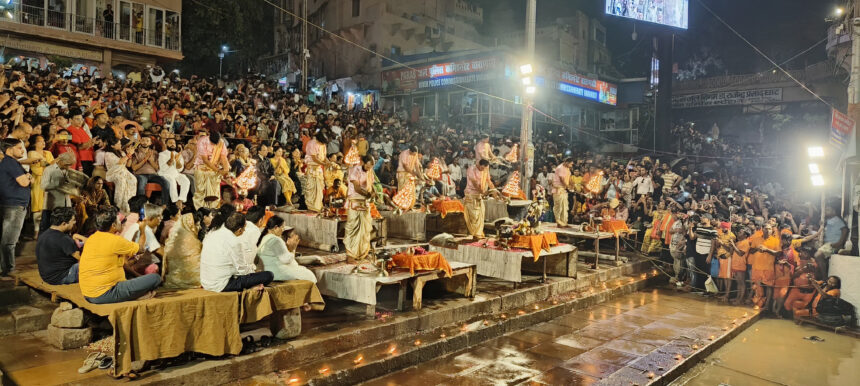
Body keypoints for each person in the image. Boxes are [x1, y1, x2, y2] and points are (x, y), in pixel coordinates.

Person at [79, 208, 160, 304]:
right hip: (105, 294)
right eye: (119, 221)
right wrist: (142, 230)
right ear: (113, 225)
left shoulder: (93, 237)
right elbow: (141, 249)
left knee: (132, 278)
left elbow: (124, 263)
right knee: (155, 278)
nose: (121, 223)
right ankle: (135, 296)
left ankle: (133, 294)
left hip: (88, 293)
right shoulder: (115, 241)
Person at [200, 212, 274, 292]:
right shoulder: (234, 242)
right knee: (268, 275)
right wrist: (253, 271)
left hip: (206, 282)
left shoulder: (212, 233)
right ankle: (250, 287)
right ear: (239, 230)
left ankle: (251, 285)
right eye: (244, 229)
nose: (244, 231)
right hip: (221, 285)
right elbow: (242, 271)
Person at [0, 139, 32, 276]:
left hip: (11, 204)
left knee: (7, 239)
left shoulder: (9, 162)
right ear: (9, 149)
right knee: (9, 241)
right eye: (19, 148)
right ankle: (8, 269)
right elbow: (24, 182)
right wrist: (28, 177)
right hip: (14, 205)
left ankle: (6, 268)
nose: (23, 150)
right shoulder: (11, 162)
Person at [258, 217, 317, 282]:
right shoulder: (276, 240)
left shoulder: (265, 237)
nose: (283, 230)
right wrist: (293, 248)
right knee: (308, 274)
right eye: (282, 227)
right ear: (275, 227)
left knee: (303, 269)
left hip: (268, 270)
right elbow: (286, 260)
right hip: (276, 272)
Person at [36, 208, 80, 285]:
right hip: (62, 277)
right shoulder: (63, 239)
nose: (75, 222)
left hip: (47, 277)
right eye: (73, 220)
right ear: (64, 224)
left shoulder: (43, 235)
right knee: (95, 264)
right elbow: (82, 259)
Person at [345, 156, 376, 263]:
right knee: (353, 228)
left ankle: (363, 253)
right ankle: (350, 255)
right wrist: (368, 194)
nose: (369, 167)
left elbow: (371, 185)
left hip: (365, 202)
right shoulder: (355, 170)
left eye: (371, 165)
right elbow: (357, 188)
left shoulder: (370, 172)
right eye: (368, 164)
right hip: (355, 199)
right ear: (363, 162)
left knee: (365, 229)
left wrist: (373, 192)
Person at [162, 213, 203, 289]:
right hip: (193, 280)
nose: (199, 227)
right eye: (197, 225)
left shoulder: (171, 239)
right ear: (190, 224)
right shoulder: (193, 241)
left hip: (172, 280)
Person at [39, 151, 76, 233]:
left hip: (66, 204)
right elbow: (43, 186)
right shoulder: (49, 170)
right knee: (47, 229)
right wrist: (57, 184)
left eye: (70, 165)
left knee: (65, 229)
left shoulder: (69, 171)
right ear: (61, 161)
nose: (68, 167)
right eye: (67, 164)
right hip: (52, 206)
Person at [193, 131, 230, 209]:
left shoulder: (221, 142)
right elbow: (205, 160)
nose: (215, 145)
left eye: (216, 143)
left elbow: (223, 157)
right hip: (201, 168)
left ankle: (214, 209)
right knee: (201, 191)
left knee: (215, 192)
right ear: (209, 138)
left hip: (214, 169)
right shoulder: (202, 141)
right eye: (213, 143)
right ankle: (200, 209)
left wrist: (226, 170)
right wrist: (219, 171)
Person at [463, 159, 498, 239]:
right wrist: (483, 192)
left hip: (479, 195)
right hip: (471, 195)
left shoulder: (485, 170)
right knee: (474, 216)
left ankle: (478, 234)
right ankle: (475, 234)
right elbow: (475, 183)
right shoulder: (471, 169)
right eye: (482, 168)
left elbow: (489, 181)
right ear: (479, 165)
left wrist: (495, 191)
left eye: (485, 168)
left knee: (481, 214)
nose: (483, 170)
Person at [812, 203, 848, 279]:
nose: (825, 211)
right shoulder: (829, 220)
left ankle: (824, 278)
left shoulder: (837, 219)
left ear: (834, 211)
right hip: (828, 244)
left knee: (818, 255)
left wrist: (839, 243)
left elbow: (844, 230)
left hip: (833, 244)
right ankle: (822, 277)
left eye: (828, 210)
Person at [131, 136, 170, 204]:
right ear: (140, 141)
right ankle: (141, 206)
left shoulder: (154, 153)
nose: (145, 142)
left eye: (147, 141)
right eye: (143, 140)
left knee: (166, 182)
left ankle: (165, 205)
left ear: (150, 143)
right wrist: (144, 160)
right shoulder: (135, 152)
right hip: (140, 174)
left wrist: (151, 161)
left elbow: (157, 168)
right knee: (142, 183)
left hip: (153, 174)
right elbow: (134, 168)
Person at [28, 135, 55, 234]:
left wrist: (47, 166)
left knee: (48, 206)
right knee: (38, 206)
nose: (43, 142)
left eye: (44, 140)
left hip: (49, 182)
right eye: (40, 141)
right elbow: (36, 170)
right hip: (38, 182)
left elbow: (53, 167)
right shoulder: (31, 153)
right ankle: (36, 231)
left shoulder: (48, 153)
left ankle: (47, 230)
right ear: (34, 143)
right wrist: (49, 166)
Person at [104, 138, 137, 213]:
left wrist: (130, 156)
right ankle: (118, 205)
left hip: (123, 171)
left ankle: (129, 203)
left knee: (133, 179)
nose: (120, 145)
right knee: (121, 180)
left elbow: (128, 165)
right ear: (112, 146)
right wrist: (129, 154)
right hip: (113, 173)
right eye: (118, 144)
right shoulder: (108, 154)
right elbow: (120, 162)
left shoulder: (121, 152)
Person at [157, 137, 191, 204]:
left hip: (175, 174)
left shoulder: (178, 154)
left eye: (174, 143)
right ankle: (175, 202)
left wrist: (177, 161)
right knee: (172, 181)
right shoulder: (162, 154)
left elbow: (180, 169)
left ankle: (180, 200)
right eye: (170, 143)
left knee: (186, 180)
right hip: (165, 174)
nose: (172, 144)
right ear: (166, 144)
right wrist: (171, 160)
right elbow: (163, 168)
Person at [303, 131, 330, 212]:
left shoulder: (323, 145)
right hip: (312, 167)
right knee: (311, 187)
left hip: (318, 169)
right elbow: (314, 158)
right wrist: (324, 164)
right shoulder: (312, 143)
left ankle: (318, 205)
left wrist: (328, 162)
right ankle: (311, 206)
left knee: (319, 187)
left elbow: (324, 157)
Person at [552, 158, 573, 227]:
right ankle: (559, 222)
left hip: (563, 189)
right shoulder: (560, 168)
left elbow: (569, 178)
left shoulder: (567, 168)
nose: (571, 165)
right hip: (558, 189)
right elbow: (562, 179)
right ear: (566, 162)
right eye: (571, 164)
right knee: (559, 206)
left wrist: (572, 185)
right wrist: (568, 186)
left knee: (564, 206)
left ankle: (564, 222)